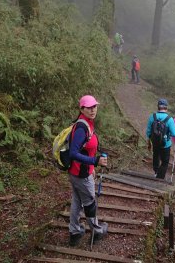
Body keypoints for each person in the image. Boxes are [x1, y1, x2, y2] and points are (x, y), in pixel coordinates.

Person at [68, 94, 108, 247]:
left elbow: (86, 149)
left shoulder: (87, 123)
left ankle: (75, 232)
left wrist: (91, 166)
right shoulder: (81, 127)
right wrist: (94, 161)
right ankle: (96, 231)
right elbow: (73, 152)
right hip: (80, 174)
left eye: (94, 106)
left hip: (78, 171)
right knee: (90, 202)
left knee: (77, 202)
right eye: (89, 107)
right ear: (82, 109)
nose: (92, 110)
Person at [146, 98, 175, 180]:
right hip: (166, 144)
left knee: (156, 157)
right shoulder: (170, 119)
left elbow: (148, 132)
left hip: (155, 143)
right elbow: (174, 134)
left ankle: (155, 172)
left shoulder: (152, 117)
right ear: (166, 108)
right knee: (165, 162)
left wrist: (150, 141)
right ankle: (160, 177)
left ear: (158, 107)